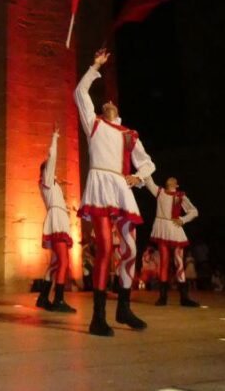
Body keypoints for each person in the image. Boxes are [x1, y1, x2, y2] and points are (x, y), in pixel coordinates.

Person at [75, 49, 155, 336]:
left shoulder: (128, 134)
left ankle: (123, 308)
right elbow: (79, 92)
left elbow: (147, 163)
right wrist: (95, 65)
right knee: (106, 248)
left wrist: (138, 176)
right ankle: (98, 317)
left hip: (121, 188)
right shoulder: (93, 124)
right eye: (104, 102)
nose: (109, 102)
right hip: (100, 186)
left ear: (118, 112)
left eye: (113, 103)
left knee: (131, 248)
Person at [35, 124, 75, 312]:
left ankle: (43, 297)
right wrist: (55, 138)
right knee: (63, 261)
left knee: (54, 262)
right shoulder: (47, 181)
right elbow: (52, 158)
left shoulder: (51, 184)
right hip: (56, 221)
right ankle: (58, 300)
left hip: (58, 218)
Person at [144, 175, 200, 307]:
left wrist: (182, 220)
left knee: (179, 262)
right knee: (164, 262)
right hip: (163, 229)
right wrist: (145, 166)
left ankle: (184, 297)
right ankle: (163, 297)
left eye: (175, 180)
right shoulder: (160, 192)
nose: (172, 179)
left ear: (177, 185)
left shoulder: (180, 196)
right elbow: (148, 180)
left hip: (175, 229)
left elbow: (194, 211)